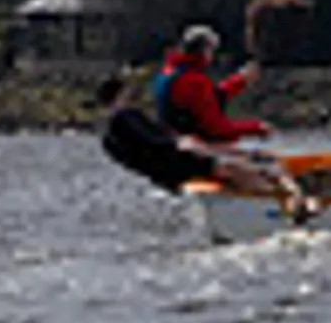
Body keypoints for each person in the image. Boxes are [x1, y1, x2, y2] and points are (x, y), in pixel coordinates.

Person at [97, 72, 313, 219]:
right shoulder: (125, 116)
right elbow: (175, 143)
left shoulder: (106, 136)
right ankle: (286, 203)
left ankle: (272, 201)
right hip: (180, 163)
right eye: (128, 91)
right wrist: (235, 153)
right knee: (246, 169)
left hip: (165, 176)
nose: (133, 95)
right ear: (120, 94)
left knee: (235, 167)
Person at [153, 24, 271, 145]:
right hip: (196, 149)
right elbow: (216, 129)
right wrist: (256, 128)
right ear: (205, 50)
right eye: (212, 50)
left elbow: (211, 98)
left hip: (174, 141)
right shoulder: (194, 81)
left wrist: (241, 80)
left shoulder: (168, 72)